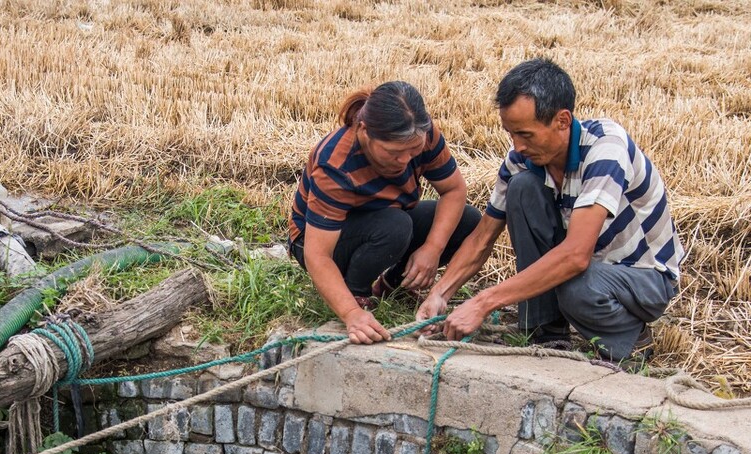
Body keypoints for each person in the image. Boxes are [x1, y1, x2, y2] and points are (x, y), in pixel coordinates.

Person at [417, 58, 683, 361]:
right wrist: (440, 293)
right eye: (511, 134)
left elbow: (575, 256)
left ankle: (632, 337)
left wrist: (482, 303)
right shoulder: (521, 159)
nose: (516, 146)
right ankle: (546, 333)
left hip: (644, 277)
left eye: (526, 134)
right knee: (522, 188)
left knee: (575, 286)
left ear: (562, 121)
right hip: (589, 268)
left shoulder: (606, 149)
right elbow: (482, 238)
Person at [288, 81, 481, 344]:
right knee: (394, 225)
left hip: (386, 220)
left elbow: (454, 191)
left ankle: (393, 287)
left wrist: (433, 248)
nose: (405, 161)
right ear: (365, 131)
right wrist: (350, 313)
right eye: (394, 153)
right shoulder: (335, 165)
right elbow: (317, 254)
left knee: (467, 221)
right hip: (320, 241)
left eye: (413, 152)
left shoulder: (421, 136)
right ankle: (355, 293)